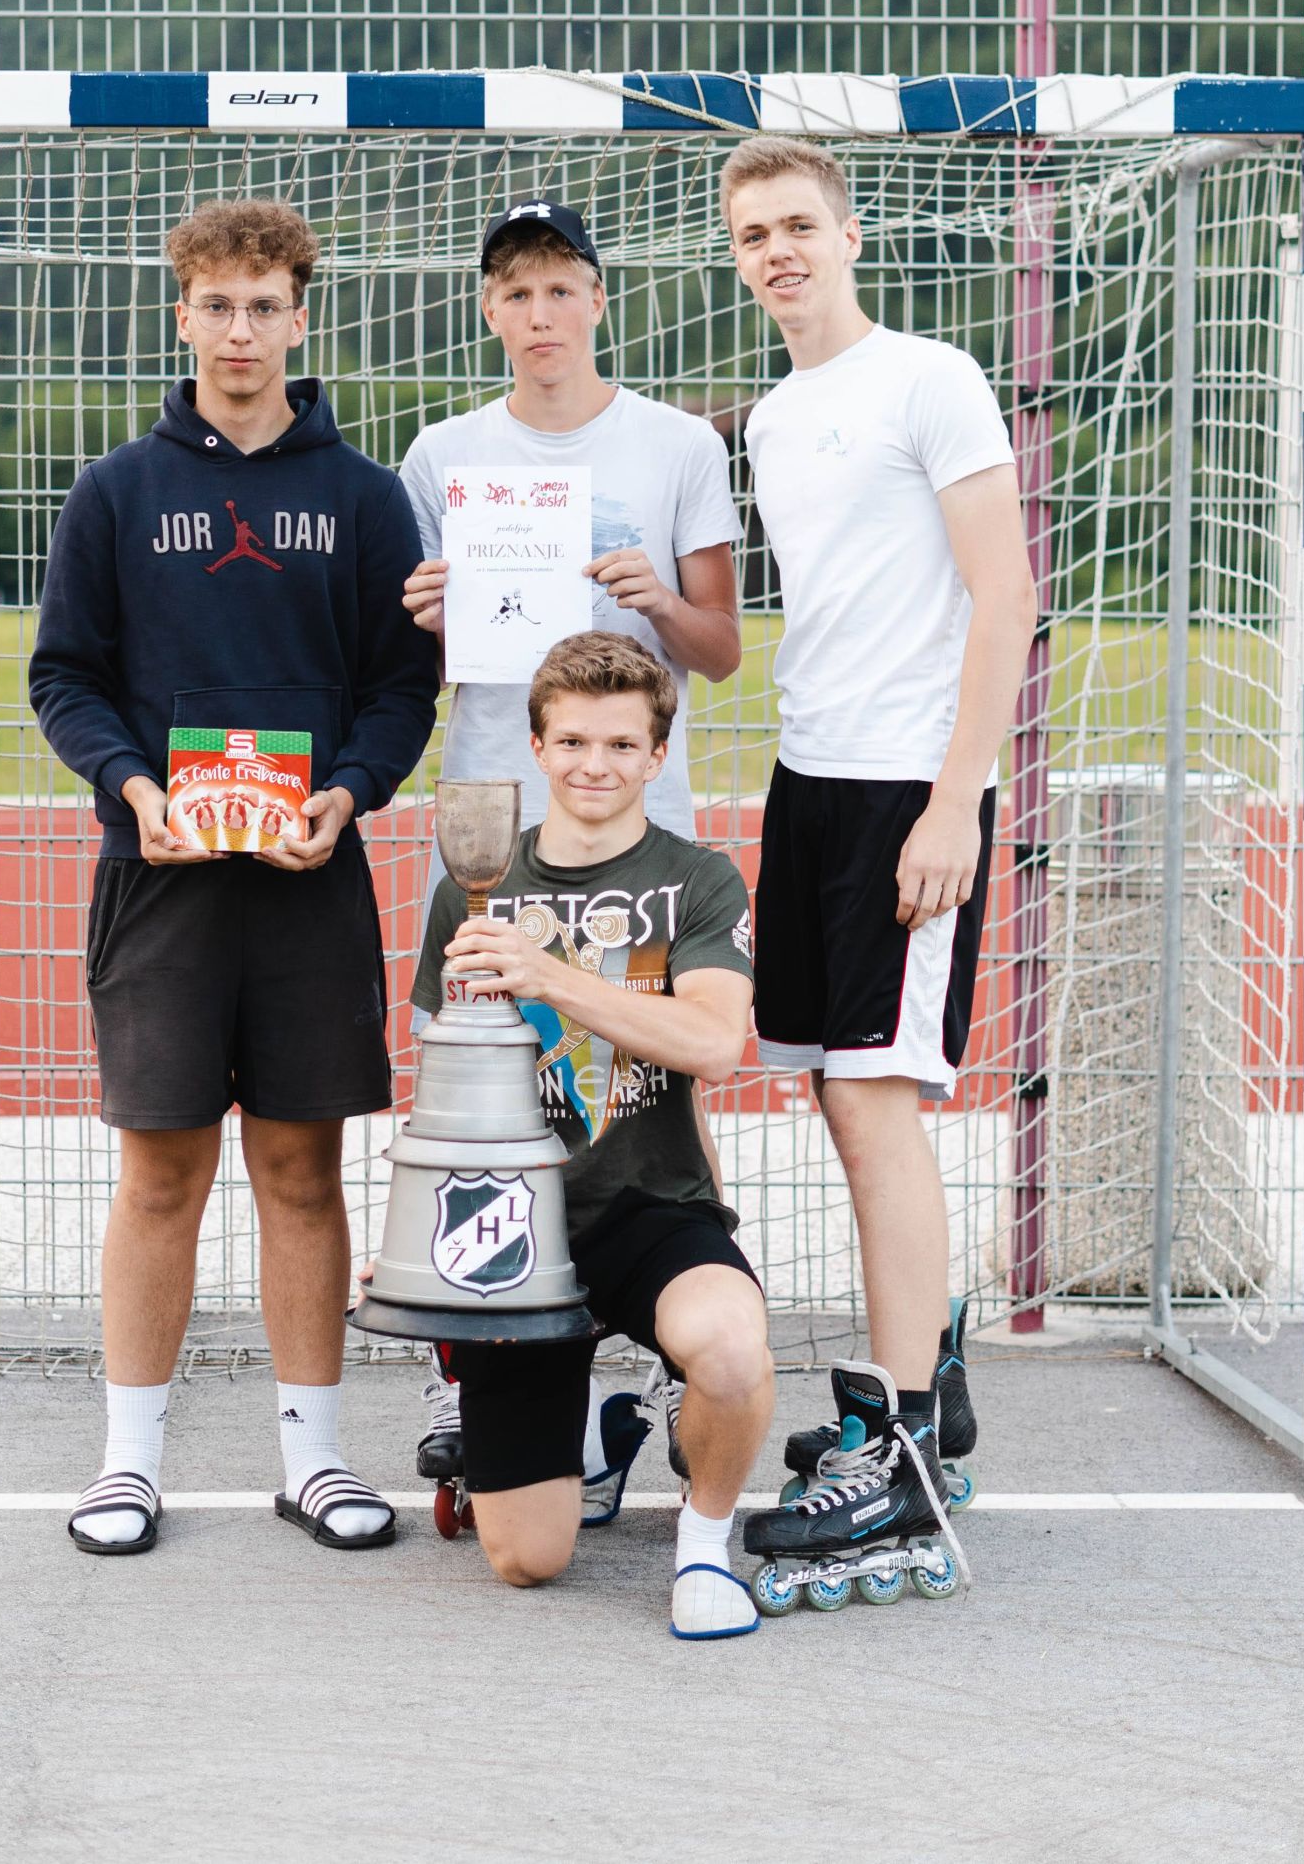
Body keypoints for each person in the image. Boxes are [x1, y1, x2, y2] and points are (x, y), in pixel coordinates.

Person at [30, 198, 439, 1558]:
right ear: (182, 317)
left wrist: (348, 790)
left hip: (307, 875)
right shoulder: (116, 492)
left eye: (264, 305)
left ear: (300, 320)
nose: (241, 329)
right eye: (217, 305)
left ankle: (313, 1459)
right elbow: (65, 677)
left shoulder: (363, 498)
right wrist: (135, 789)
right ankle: (125, 1462)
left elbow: (400, 687)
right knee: (160, 1170)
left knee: (301, 1170)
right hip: (160, 875)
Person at [720, 135, 1037, 1594]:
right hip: (811, 780)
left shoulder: (929, 377)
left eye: (797, 224)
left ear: (847, 235)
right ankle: (925, 1377)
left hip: (911, 784)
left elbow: (1003, 596)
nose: (777, 251)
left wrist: (954, 802)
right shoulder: (776, 417)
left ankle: (899, 1447)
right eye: (752, 235)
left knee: (873, 1096)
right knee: (836, 1094)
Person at [397, 198, 746, 1497]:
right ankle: (486, 1359)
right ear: (487, 308)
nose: (537, 313)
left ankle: (673, 1354)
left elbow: (719, 648)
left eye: (558, 288)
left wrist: (658, 599)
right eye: (513, 291)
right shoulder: (442, 453)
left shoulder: (674, 446)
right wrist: (422, 616)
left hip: (635, 819)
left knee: (656, 1082)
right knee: (483, 1078)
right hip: (492, 815)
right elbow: (430, 660)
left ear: (597, 299)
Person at [412, 633, 771, 1640]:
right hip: (514, 1233)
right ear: (536, 746)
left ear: (656, 754)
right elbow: (439, 1086)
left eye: (620, 744)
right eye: (571, 741)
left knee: (730, 1348)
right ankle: (596, 1439)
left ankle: (703, 1547)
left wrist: (549, 975)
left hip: (647, 1206)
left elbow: (713, 1043)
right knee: (526, 1560)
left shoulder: (697, 880)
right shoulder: (473, 890)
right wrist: (420, 1242)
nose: (594, 765)